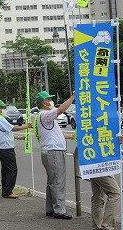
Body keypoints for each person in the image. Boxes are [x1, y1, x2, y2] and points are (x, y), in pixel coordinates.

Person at [34, 90, 75, 220]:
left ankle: (51, 209)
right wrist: (73, 96)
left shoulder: (45, 117)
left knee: (52, 181)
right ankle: (59, 210)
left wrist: (73, 136)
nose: (51, 101)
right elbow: (61, 109)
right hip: (53, 152)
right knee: (57, 181)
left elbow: (58, 134)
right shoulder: (45, 114)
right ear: (44, 102)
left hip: (51, 151)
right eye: (49, 99)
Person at [0, 100, 32, 198]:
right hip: (6, 148)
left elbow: (6, 133)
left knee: (6, 170)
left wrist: (19, 137)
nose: (5, 110)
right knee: (12, 169)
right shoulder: (0, 119)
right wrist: (26, 126)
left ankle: (6, 191)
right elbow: (12, 128)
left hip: (3, 147)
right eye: (3, 108)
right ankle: (8, 192)